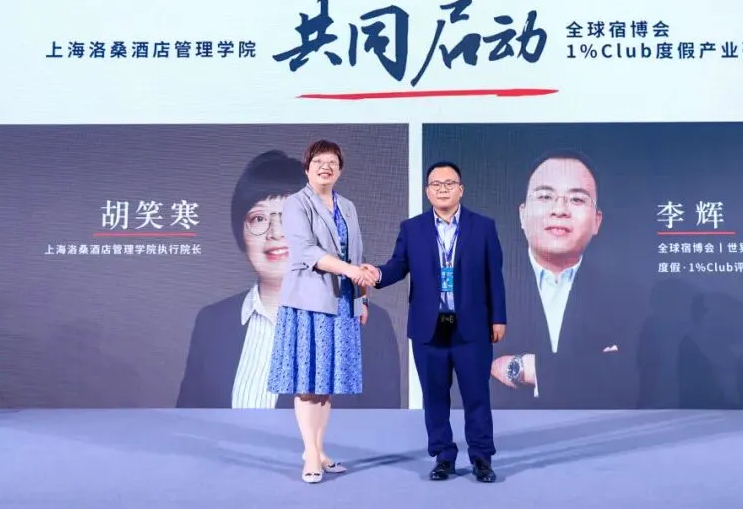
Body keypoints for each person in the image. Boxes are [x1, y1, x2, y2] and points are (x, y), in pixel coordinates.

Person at [175, 150, 400, 410]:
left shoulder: (366, 325)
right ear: (241, 233)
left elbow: (382, 427)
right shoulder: (212, 322)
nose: (276, 233)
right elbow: (188, 423)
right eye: (259, 218)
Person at [366, 161, 506, 483]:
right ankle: (443, 457)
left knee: (477, 396)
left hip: (472, 328)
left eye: (449, 183)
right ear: (427, 191)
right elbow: (398, 266)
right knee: (434, 397)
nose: (443, 189)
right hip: (428, 329)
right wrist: (376, 275)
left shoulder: (483, 227)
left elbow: (494, 276)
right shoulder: (412, 228)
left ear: (461, 189)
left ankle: (482, 458)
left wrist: (498, 317)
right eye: (436, 184)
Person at [489, 150, 643, 409]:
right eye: (545, 196)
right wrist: (591, 370)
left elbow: (628, 385)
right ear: (522, 215)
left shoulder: (630, 297)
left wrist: (527, 369)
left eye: (576, 199)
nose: (559, 210)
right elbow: (463, 384)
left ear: (596, 221)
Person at [266, 140, 379, 484]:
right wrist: (351, 271)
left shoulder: (347, 206)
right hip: (308, 303)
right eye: (318, 161)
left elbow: (357, 253)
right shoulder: (295, 204)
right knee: (307, 384)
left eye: (332, 162)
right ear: (307, 168)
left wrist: (361, 299)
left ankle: (317, 449)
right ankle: (311, 455)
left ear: (340, 170)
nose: (325, 167)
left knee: (325, 383)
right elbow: (307, 252)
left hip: (342, 302)